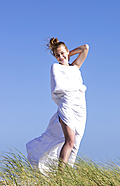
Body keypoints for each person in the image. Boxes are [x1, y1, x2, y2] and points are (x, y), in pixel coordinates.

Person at [26, 37, 89, 173]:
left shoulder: (75, 67)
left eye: (62, 53)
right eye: (57, 55)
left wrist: (67, 54)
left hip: (80, 106)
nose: (60, 57)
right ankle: (61, 175)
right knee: (70, 140)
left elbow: (85, 48)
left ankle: (64, 171)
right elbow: (60, 88)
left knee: (75, 141)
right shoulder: (56, 67)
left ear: (67, 51)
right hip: (67, 104)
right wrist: (63, 56)